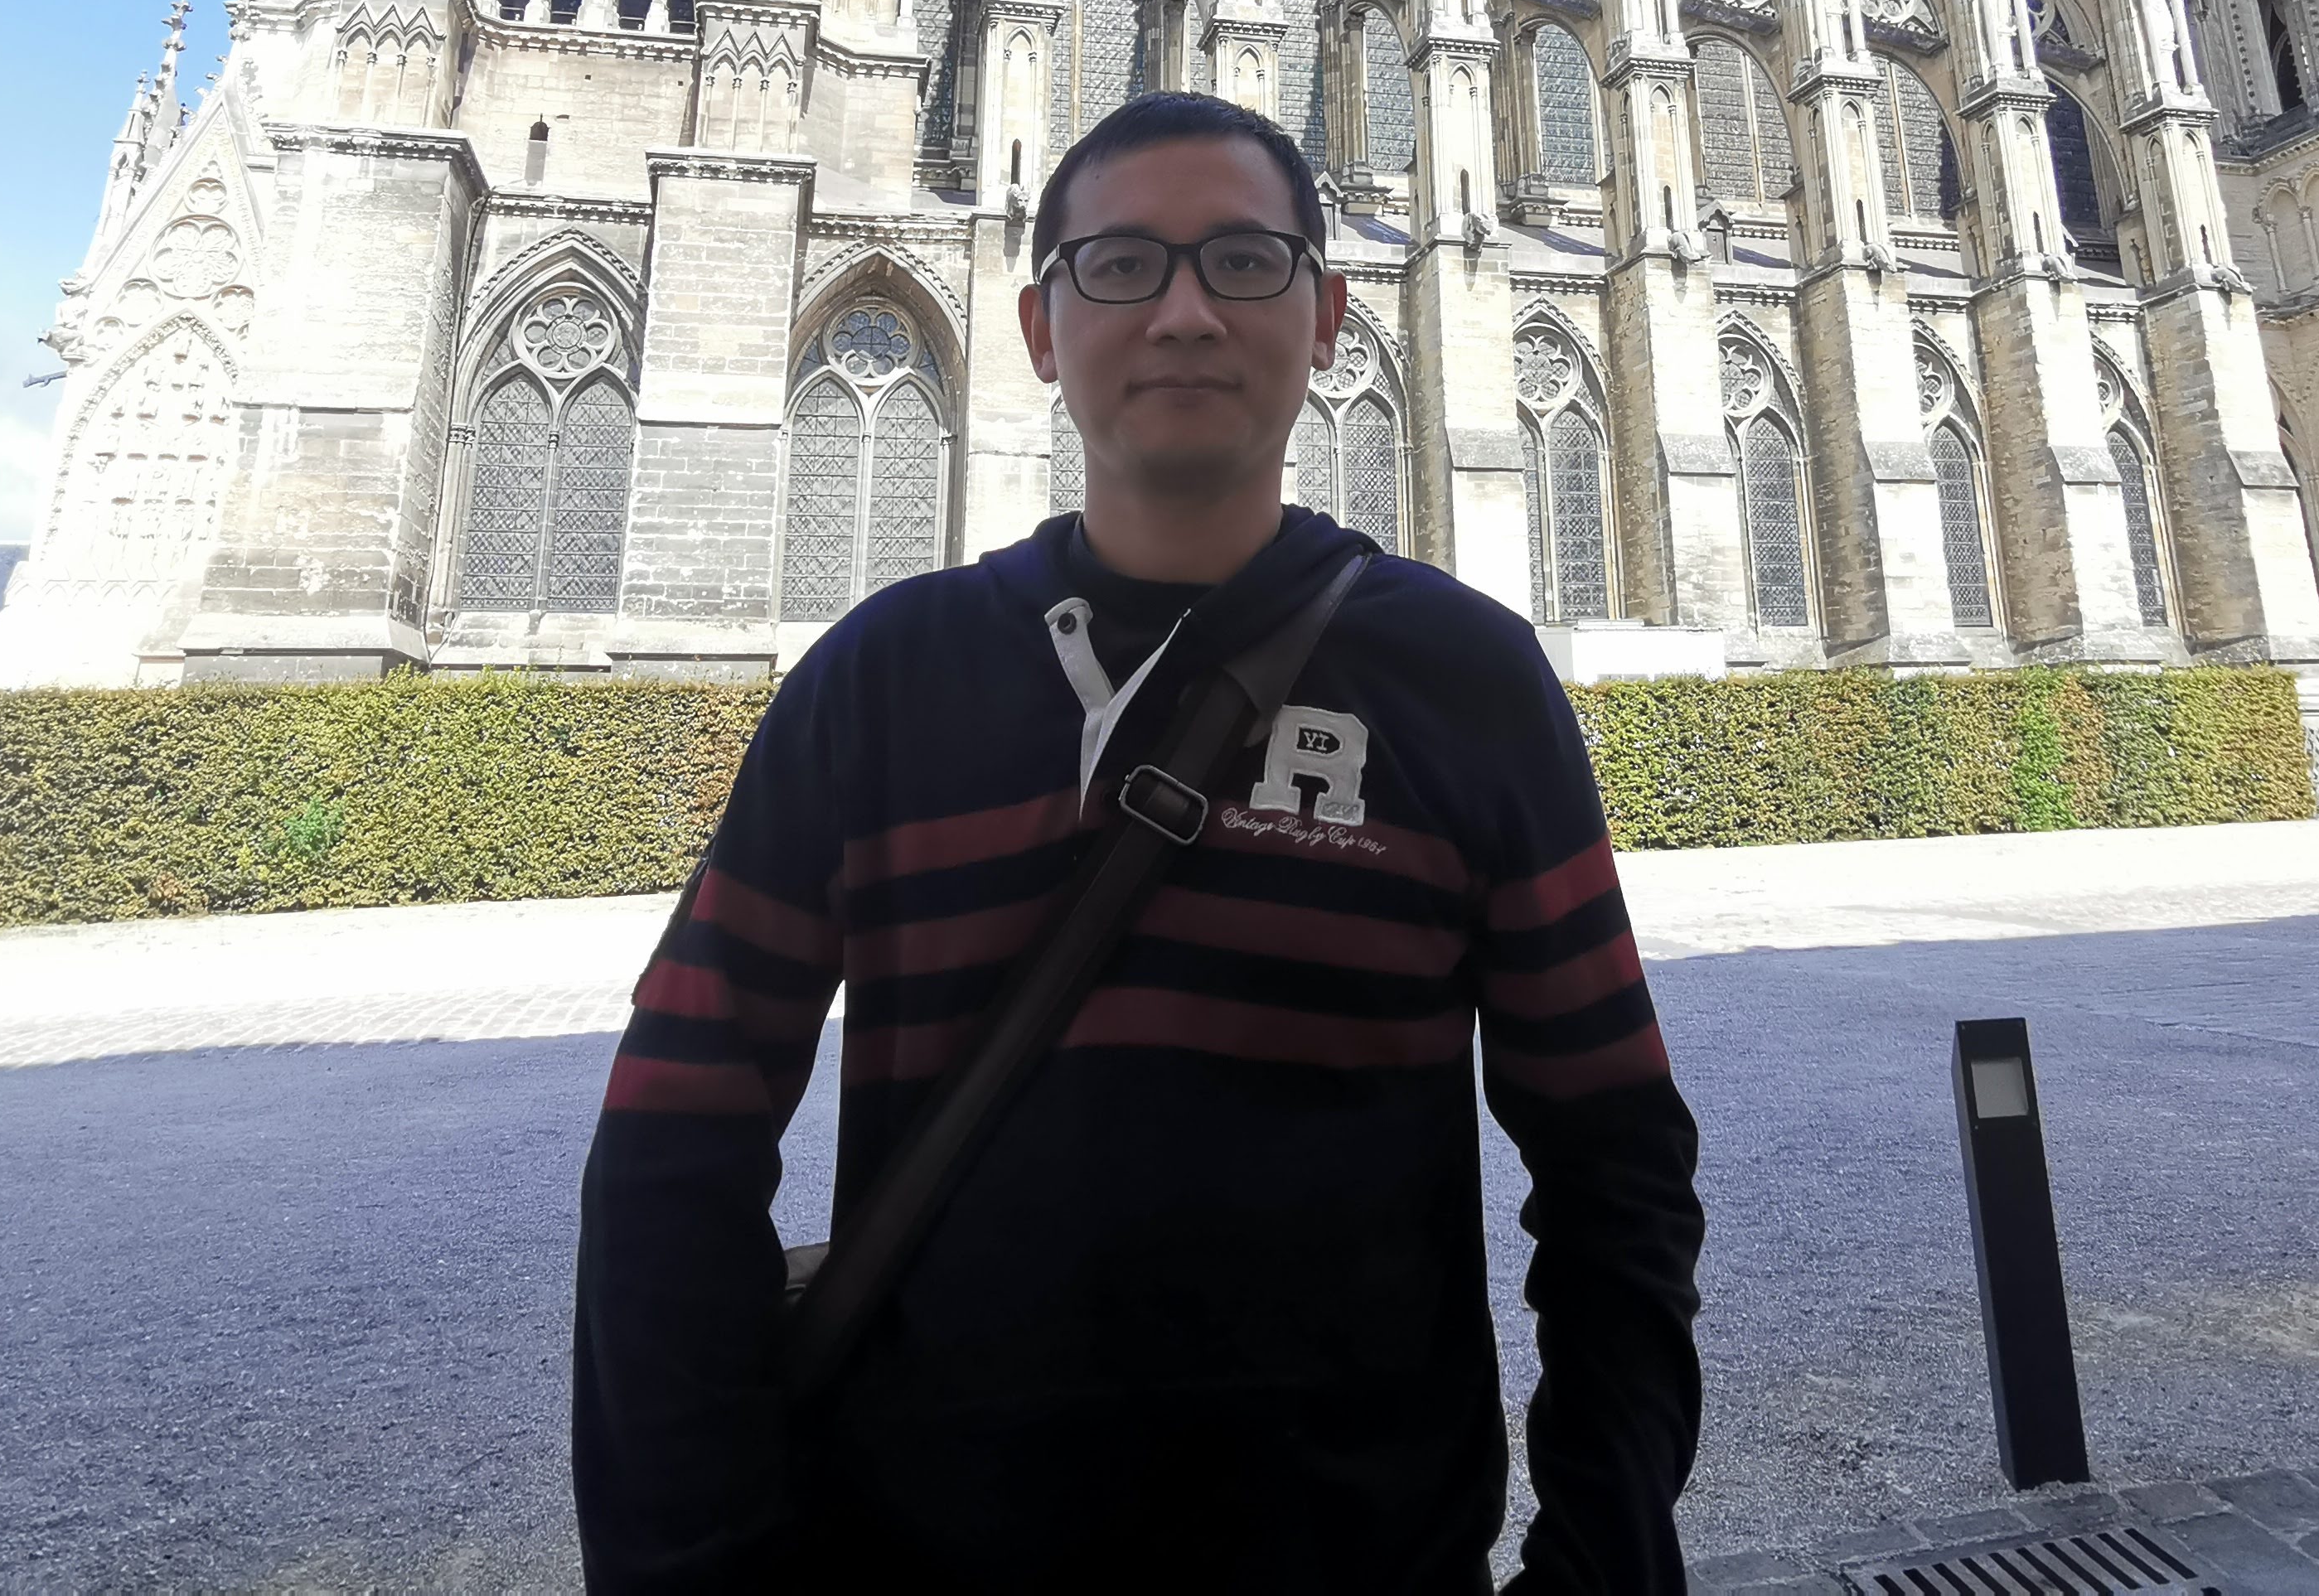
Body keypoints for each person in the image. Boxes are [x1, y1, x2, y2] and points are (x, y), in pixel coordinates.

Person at [574, 91, 1705, 1593]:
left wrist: (1601, 1566)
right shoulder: (880, 680)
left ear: (1328, 318)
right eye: (1119, 266)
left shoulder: (1470, 682)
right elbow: (674, 1136)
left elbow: (1617, 1159)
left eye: (1244, 260)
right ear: (1040, 329)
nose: (1183, 311)